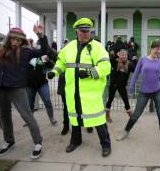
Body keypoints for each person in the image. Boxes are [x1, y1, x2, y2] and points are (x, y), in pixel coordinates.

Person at [0, 26, 46, 159]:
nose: (15, 42)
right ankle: (9, 141)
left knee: (27, 116)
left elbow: (43, 51)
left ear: (22, 41)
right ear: (8, 38)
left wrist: (41, 36)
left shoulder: (26, 52)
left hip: (17, 89)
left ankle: (38, 142)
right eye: (13, 38)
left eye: (19, 40)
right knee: (4, 117)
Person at [47, 17, 112, 157]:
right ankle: (76, 141)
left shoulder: (97, 47)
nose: (86, 34)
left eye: (88, 31)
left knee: (98, 120)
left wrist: (90, 73)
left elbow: (106, 67)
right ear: (77, 31)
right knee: (75, 118)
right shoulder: (69, 47)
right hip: (72, 91)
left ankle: (106, 144)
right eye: (83, 31)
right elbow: (61, 61)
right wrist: (54, 71)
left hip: (91, 94)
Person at [116, 41, 160, 149]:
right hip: (144, 92)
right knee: (136, 115)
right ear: (151, 48)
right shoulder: (143, 60)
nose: (158, 51)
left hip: (157, 91)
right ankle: (126, 131)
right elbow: (135, 74)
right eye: (156, 48)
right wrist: (131, 86)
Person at [26, 35, 57, 126]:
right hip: (29, 84)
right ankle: (29, 121)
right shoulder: (25, 55)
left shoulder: (40, 54)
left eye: (31, 43)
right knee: (30, 104)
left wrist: (47, 60)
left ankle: (52, 118)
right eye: (28, 43)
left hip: (42, 83)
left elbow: (51, 66)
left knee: (47, 101)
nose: (30, 45)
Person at [105, 49, 137, 122]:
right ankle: (107, 115)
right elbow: (110, 60)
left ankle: (131, 116)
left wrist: (135, 61)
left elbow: (134, 70)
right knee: (110, 100)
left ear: (127, 55)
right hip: (113, 84)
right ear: (120, 55)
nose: (124, 56)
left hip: (122, 86)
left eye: (125, 55)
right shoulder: (115, 62)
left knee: (126, 100)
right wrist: (115, 55)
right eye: (122, 55)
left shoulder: (129, 64)